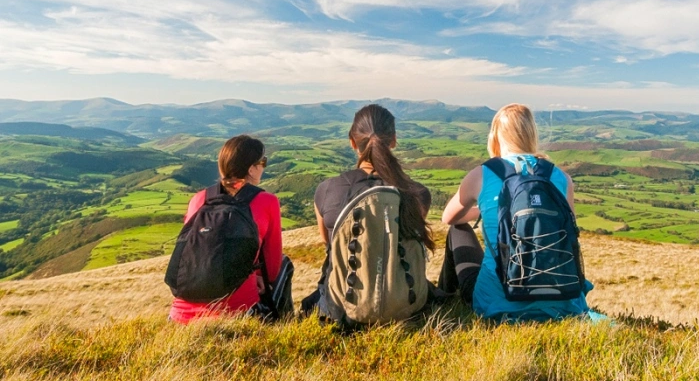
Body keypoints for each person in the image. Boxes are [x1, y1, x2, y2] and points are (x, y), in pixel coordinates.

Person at [439, 103, 600, 322]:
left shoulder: (481, 175)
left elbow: (449, 217)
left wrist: (485, 211)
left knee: (457, 229)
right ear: (532, 134)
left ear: (495, 136)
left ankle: (443, 300)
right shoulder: (561, 178)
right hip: (565, 302)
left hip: (496, 304)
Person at [303, 103, 435, 319]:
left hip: (344, 306)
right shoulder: (418, 193)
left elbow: (330, 244)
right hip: (407, 302)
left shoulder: (326, 190)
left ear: (352, 141)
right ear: (393, 140)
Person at [168, 134, 285, 324]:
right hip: (235, 312)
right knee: (285, 266)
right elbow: (271, 270)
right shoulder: (267, 201)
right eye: (262, 162)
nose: (263, 166)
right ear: (251, 169)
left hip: (180, 314)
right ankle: (281, 324)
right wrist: (255, 276)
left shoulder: (199, 199)